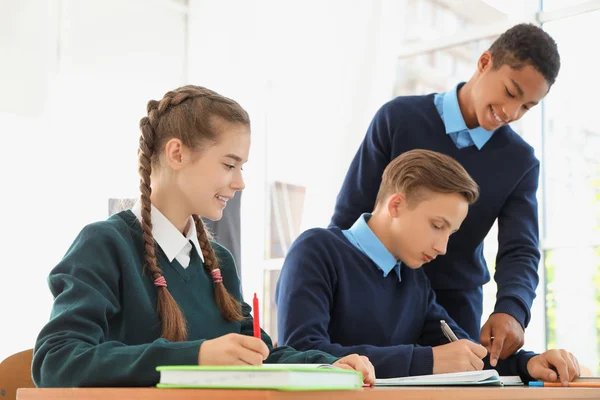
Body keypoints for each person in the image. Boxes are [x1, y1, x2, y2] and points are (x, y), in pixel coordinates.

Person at [32, 85, 375, 387]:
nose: (240, 182)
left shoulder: (219, 262)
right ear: (177, 153)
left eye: (242, 168)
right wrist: (197, 355)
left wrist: (327, 365)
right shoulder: (104, 245)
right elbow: (56, 361)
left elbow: (259, 354)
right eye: (229, 165)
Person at [329, 23, 560, 366]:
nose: (512, 113)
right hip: (376, 291)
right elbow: (351, 215)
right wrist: (337, 283)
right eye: (511, 92)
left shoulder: (521, 161)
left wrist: (512, 308)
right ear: (484, 63)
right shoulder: (398, 118)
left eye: (526, 107)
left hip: (454, 305)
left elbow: (520, 250)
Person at [277, 150, 580, 384]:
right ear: (396, 205)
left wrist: (530, 364)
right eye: (437, 226)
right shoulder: (316, 250)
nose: (443, 247)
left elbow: (469, 354)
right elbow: (300, 353)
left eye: (450, 233)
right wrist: (429, 361)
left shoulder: (413, 280)